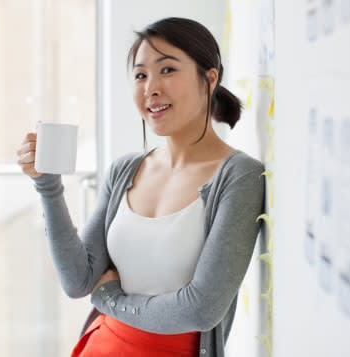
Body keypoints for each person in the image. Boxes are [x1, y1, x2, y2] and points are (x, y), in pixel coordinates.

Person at [16, 17, 265, 357]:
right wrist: (47, 185)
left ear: (209, 78)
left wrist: (111, 300)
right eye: (140, 75)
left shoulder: (239, 176)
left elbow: (201, 310)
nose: (151, 88)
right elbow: (78, 279)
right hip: (100, 345)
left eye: (167, 70)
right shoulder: (125, 170)